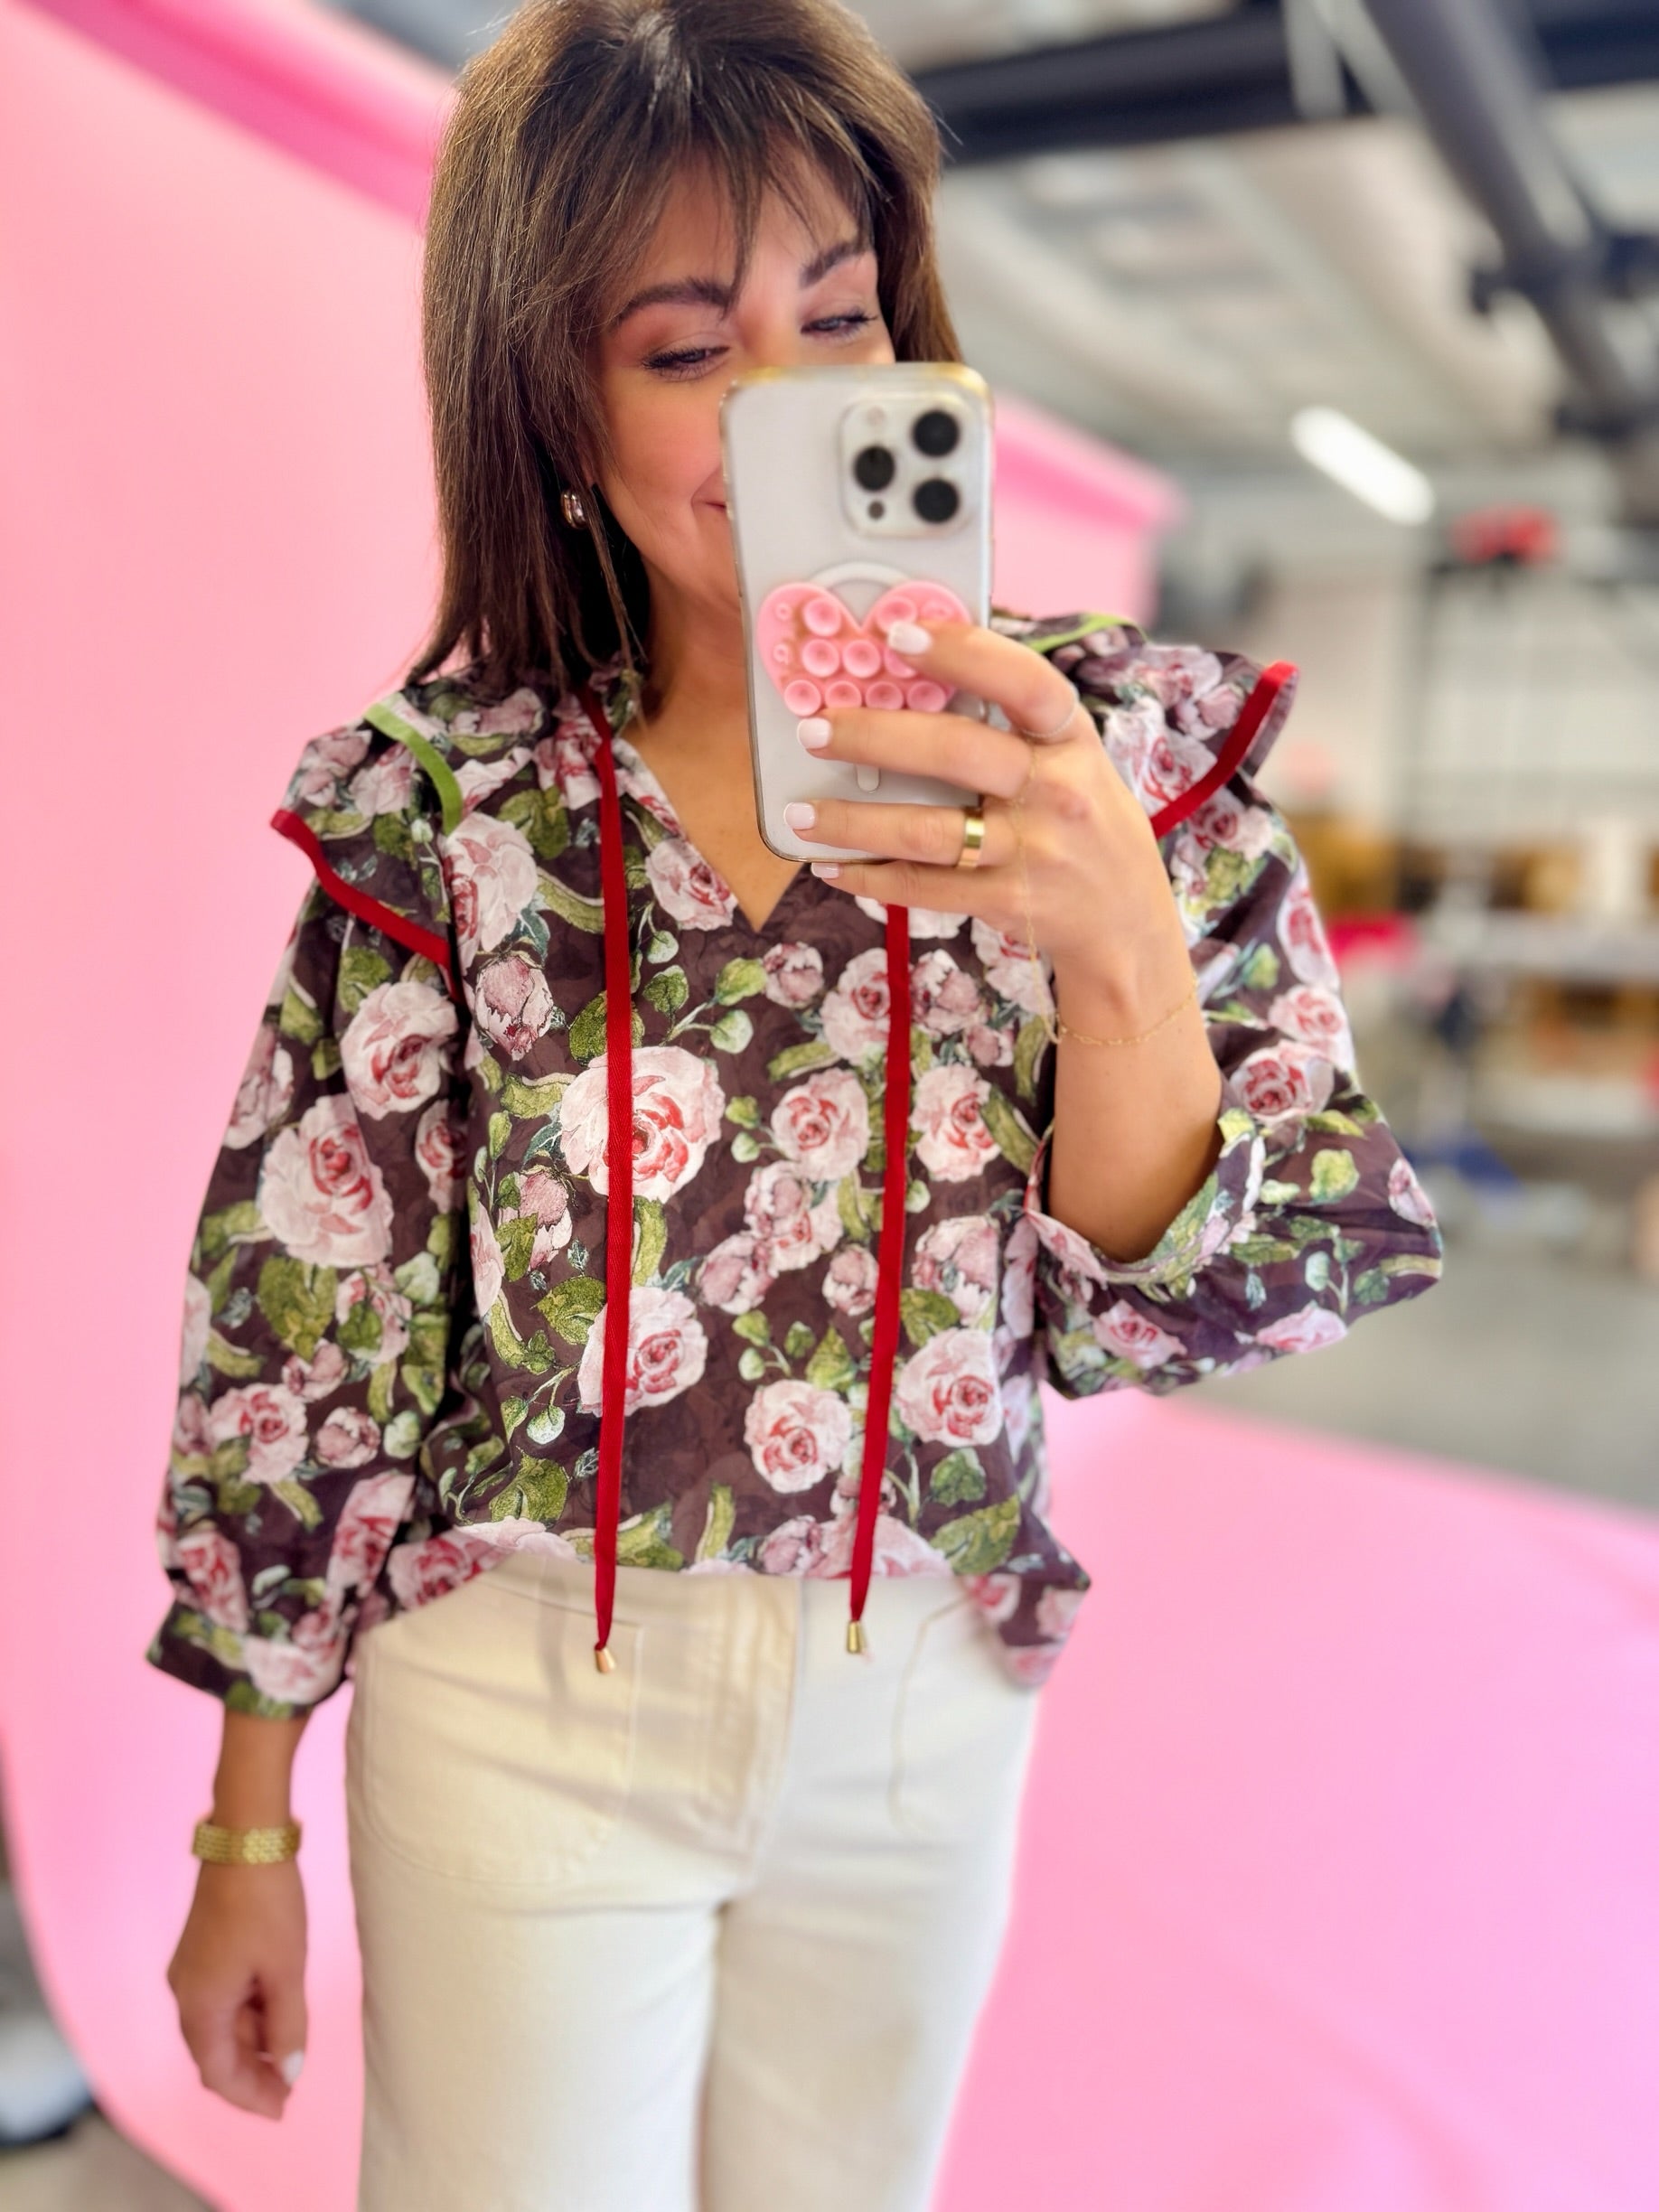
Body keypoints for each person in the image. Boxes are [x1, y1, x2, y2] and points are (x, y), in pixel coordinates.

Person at [152, 2, 1444, 2206]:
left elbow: (1182, 1312)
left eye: (839, 320)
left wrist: (1120, 942)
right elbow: (305, 1330)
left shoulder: (1115, 760)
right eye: (691, 348)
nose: (793, 405)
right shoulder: (449, 817)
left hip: (920, 1710)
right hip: (516, 1701)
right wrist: (245, 1826)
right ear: (556, 413)